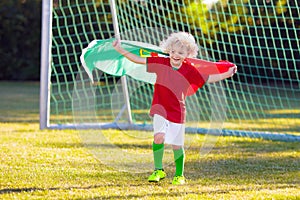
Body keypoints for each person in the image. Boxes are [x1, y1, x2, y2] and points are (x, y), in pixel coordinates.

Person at [112, 32, 237, 185]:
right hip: (160, 108)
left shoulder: (189, 70)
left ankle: (179, 175)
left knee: (177, 145)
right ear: (168, 50)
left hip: (178, 111)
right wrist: (120, 50)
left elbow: (208, 79)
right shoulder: (161, 63)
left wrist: (226, 74)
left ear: (188, 54)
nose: (175, 55)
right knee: (159, 137)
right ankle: (158, 170)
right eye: (172, 51)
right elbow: (138, 59)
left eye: (180, 52)